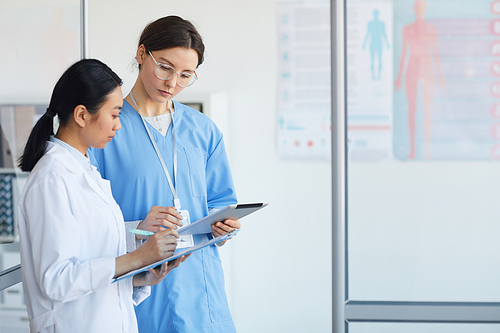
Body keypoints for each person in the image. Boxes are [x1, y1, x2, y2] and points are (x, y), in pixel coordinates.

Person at [89, 16, 240, 332]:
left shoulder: (203, 131)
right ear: (142, 54)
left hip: (201, 291)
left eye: (186, 75)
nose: (173, 83)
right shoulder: (104, 131)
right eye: (165, 67)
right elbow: (87, 226)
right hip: (139, 292)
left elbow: (220, 202)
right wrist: (138, 228)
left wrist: (224, 226)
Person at [17, 59, 185, 333]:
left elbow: (94, 257)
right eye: (115, 114)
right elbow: (57, 280)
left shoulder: (85, 171)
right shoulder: (52, 178)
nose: (118, 126)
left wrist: (142, 273)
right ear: (82, 115)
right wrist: (137, 258)